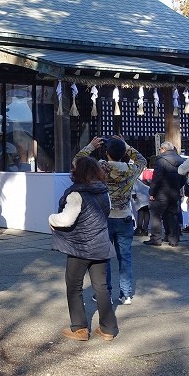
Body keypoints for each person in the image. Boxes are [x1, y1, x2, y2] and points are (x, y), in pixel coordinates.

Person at [49, 156, 117, 341]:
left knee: (74, 286)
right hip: (101, 244)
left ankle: (79, 328)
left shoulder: (75, 194)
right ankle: (108, 329)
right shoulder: (104, 191)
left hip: (80, 247)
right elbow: (107, 212)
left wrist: (51, 218)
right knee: (102, 288)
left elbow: (66, 220)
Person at [75, 136, 145, 306]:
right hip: (125, 217)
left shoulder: (100, 167)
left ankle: (103, 292)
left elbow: (78, 162)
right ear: (124, 154)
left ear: (106, 153)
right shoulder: (131, 169)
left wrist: (91, 146)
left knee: (103, 258)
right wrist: (127, 146)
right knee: (125, 257)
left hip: (104, 218)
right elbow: (141, 160)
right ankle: (126, 294)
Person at [144, 141, 185, 248]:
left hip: (161, 193)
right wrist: (178, 187)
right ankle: (173, 238)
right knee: (172, 215)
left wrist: (152, 192)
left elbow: (156, 178)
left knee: (156, 216)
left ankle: (156, 238)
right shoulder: (181, 160)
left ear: (163, 149)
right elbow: (184, 178)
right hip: (174, 191)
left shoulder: (161, 160)